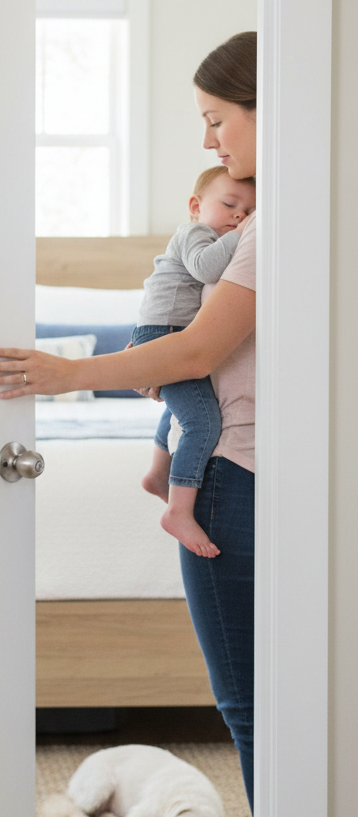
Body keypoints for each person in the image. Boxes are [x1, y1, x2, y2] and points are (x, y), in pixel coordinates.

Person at [0, 28, 258, 817]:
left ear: (267, 108)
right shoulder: (249, 227)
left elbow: (186, 355)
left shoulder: (268, 222)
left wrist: (66, 375)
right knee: (262, 704)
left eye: (220, 123)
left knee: (253, 706)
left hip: (242, 479)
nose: (217, 145)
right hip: (249, 469)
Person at [133, 164, 255, 558]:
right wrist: (241, 236)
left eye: (248, 210)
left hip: (171, 333)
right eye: (230, 204)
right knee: (203, 421)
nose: (239, 215)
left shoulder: (207, 232)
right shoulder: (193, 234)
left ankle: (157, 474)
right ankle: (178, 510)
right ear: (195, 206)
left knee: (189, 404)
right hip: (166, 334)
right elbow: (206, 267)